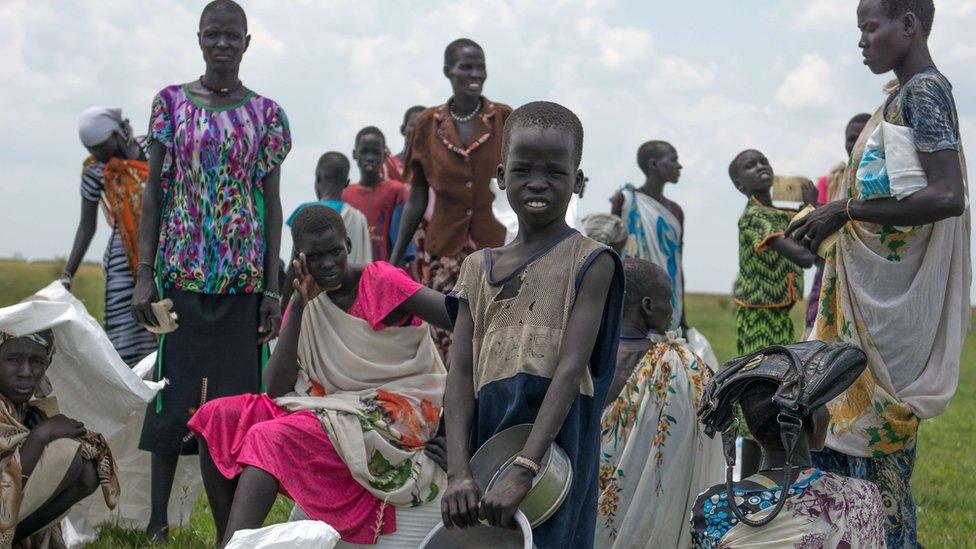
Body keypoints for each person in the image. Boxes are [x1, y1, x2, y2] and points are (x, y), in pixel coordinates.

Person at [788, 1, 969, 545]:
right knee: (844, 462)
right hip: (868, 304)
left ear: (908, 25)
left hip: (887, 321)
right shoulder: (901, 99)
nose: (862, 41)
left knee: (872, 472)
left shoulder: (925, 93)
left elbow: (947, 195)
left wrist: (843, 211)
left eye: (870, 28)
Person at [188, 205, 451, 546]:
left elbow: (463, 319)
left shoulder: (379, 281)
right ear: (300, 258)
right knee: (216, 417)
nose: (327, 265)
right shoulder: (306, 294)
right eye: (316, 257)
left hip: (397, 408)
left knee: (270, 437)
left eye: (335, 252)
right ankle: (233, 540)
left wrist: (450, 420)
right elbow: (277, 387)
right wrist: (297, 304)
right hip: (331, 401)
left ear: (349, 246)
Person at [130, 1, 291, 541]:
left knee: (238, 401)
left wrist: (272, 285)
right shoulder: (169, 104)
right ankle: (157, 522)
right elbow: (154, 191)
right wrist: (144, 271)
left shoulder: (267, 114)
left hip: (243, 280)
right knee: (172, 393)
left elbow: (271, 203)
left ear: (247, 43)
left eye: (232, 36)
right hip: (180, 273)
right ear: (199, 39)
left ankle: (231, 528)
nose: (222, 44)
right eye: (213, 35)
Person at [441, 101, 624, 548]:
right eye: (523, 170)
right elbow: (460, 375)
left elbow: (569, 368)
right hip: (489, 440)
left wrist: (526, 465)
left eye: (555, 172)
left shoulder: (592, 262)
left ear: (577, 181)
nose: (537, 183)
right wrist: (459, 472)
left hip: (558, 443)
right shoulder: (476, 269)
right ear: (501, 177)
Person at [390, 38, 511, 363]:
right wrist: (395, 257)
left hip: (497, 250)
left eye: (480, 68)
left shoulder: (504, 120)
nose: (475, 74)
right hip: (444, 253)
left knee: (495, 338)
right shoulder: (428, 124)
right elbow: (417, 196)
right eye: (466, 67)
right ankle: (450, 412)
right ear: (448, 71)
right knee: (447, 342)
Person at [596, 259, 722, 548]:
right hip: (645, 518)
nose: (673, 309)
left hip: (589, 495)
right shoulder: (674, 363)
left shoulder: (586, 355)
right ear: (648, 306)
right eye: (669, 300)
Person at [691, 372, 886, 547]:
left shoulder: (714, 507)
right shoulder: (862, 497)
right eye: (822, 404)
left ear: (753, 430)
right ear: (814, 421)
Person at [729, 149, 817, 478]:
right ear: (740, 184)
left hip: (776, 315)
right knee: (760, 397)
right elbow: (803, 257)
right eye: (750, 166)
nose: (760, 167)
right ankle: (749, 482)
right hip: (758, 318)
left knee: (775, 395)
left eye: (763, 161)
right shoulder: (755, 216)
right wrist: (813, 209)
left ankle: (764, 479)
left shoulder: (776, 213)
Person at [0, 330, 119, 546]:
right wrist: (40, 436)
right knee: (65, 452)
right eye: (14, 360)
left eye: (36, 361)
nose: (26, 372)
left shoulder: (21, 409)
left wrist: (38, 433)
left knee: (87, 467)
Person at [62, 107, 156, 367]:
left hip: (167, 247)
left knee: (167, 323)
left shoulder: (154, 148)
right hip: (123, 260)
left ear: (118, 132)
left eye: (102, 146)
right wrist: (68, 274)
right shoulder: (95, 171)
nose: (98, 154)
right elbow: (86, 226)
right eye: (92, 149)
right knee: (126, 334)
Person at [803, 113, 871, 338]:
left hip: (867, 272)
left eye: (864, 135)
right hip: (829, 268)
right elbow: (817, 229)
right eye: (852, 138)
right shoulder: (830, 181)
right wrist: (812, 204)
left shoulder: (878, 179)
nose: (857, 142)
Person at [611, 140, 687, 331]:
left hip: (668, 297)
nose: (679, 165)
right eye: (673, 160)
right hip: (633, 294)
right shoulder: (626, 200)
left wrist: (683, 316)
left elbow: (678, 263)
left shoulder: (676, 211)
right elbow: (611, 249)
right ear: (653, 164)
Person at [342, 127, 409, 263]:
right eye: (364, 152)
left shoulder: (397, 192)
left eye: (375, 153)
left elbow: (401, 244)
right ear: (355, 154)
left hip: (383, 273)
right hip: (351, 274)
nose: (370, 158)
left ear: (384, 156)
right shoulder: (345, 195)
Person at [386, 105, 426, 179]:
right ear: (403, 130)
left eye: (424, 126)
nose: (418, 130)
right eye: (413, 125)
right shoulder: (388, 165)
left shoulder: (436, 168)